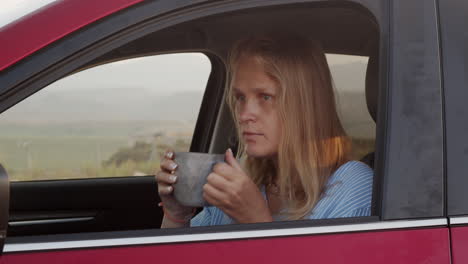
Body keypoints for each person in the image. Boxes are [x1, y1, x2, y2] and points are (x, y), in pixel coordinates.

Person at [156, 34, 373, 228]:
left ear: (305, 106)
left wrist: (255, 221)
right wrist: (177, 215)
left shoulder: (353, 188)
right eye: (240, 97)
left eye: (265, 97)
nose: (243, 115)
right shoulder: (241, 176)